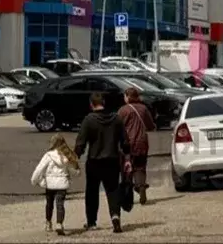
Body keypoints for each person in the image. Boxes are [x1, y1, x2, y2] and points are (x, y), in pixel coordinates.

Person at [75, 92, 131, 233]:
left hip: (94, 161)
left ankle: (92, 222)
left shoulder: (89, 120)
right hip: (112, 160)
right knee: (113, 190)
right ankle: (115, 215)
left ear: (91, 104)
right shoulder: (116, 119)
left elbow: (81, 143)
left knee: (92, 191)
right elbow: (125, 142)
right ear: (104, 103)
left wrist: (75, 156)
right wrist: (127, 156)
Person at [32, 135, 80, 235]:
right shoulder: (67, 155)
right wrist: (77, 172)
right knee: (60, 204)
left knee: (49, 204)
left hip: (50, 184)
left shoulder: (48, 155)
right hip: (62, 184)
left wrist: (34, 180)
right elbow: (73, 171)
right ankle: (59, 223)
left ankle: (48, 223)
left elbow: (39, 168)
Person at [117, 86, 156, 205]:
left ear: (128, 97)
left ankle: (127, 196)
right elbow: (150, 126)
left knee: (127, 168)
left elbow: (117, 126)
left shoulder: (123, 110)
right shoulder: (144, 109)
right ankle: (141, 186)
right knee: (140, 167)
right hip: (142, 142)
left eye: (124, 96)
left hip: (128, 143)